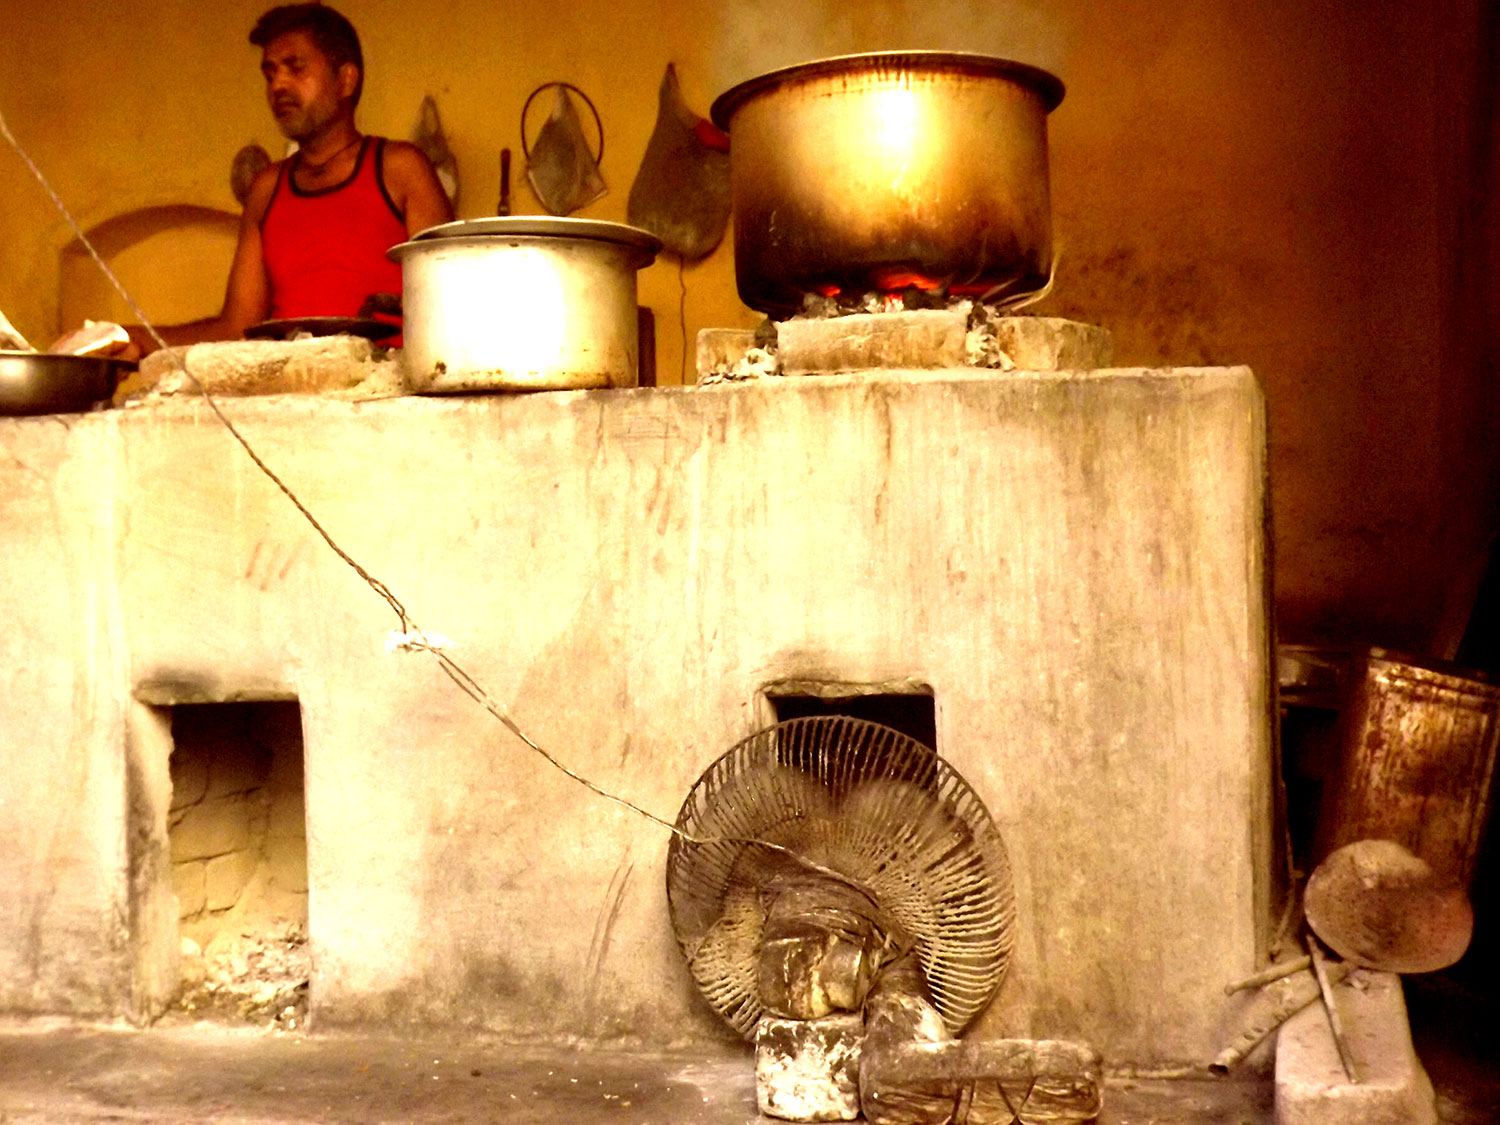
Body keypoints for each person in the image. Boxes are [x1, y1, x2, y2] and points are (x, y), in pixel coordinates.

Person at [124, 3, 453, 355]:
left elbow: (448, 306)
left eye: (295, 69)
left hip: (386, 400)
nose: (278, 85)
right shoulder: (266, 189)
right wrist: (137, 339)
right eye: (270, 74)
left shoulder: (400, 169)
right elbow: (238, 327)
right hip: (288, 398)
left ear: (346, 80)